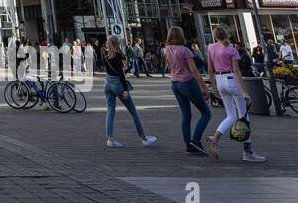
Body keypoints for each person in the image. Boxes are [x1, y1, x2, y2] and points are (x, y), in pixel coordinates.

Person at [204, 25, 267, 162]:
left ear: (215, 36)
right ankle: (247, 151)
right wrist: (244, 91)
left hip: (219, 81)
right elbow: (237, 71)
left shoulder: (210, 48)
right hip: (231, 80)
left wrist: (214, 88)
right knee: (244, 116)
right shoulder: (231, 49)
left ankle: (215, 138)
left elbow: (209, 68)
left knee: (231, 115)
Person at [164, 26, 211, 155]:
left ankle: (188, 144)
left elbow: (169, 67)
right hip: (187, 83)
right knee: (206, 113)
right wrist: (204, 86)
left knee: (186, 115)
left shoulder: (167, 49)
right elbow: (194, 70)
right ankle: (195, 141)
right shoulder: (185, 51)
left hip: (175, 83)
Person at [102, 35, 156, 148]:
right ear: (117, 44)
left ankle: (110, 140)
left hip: (107, 84)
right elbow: (120, 73)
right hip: (118, 84)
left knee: (110, 112)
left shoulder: (104, 54)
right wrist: (125, 89)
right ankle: (144, 138)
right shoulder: (117, 55)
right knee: (134, 112)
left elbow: (109, 69)